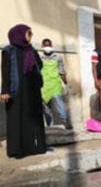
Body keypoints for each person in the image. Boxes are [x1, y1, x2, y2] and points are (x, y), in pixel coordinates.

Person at [0, 24, 47, 158]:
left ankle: (35, 147)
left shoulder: (31, 50)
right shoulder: (9, 51)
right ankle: (17, 150)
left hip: (32, 90)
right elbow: (5, 71)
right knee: (17, 118)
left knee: (33, 118)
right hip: (16, 90)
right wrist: (5, 91)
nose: (30, 36)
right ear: (19, 34)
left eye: (31, 34)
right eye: (28, 33)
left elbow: (40, 65)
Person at [40, 38, 73, 129]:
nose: (48, 47)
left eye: (49, 45)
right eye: (46, 45)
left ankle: (66, 121)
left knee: (59, 104)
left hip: (55, 84)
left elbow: (62, 71)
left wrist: (65, 84)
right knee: (47, 108)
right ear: (42, 47)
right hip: (44, 86)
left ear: (52, 46)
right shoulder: (39, 58)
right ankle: (51, 126)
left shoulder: (58, 57)